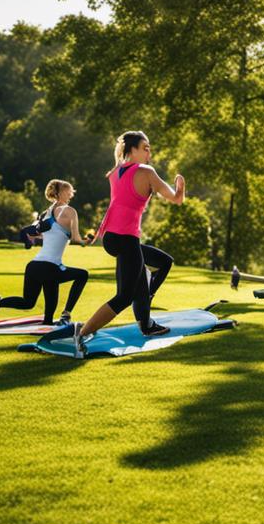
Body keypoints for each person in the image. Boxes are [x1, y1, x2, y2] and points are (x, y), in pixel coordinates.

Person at [72, 131, 185, 358]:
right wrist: (180, 184)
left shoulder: (115, 172)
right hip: (125, 238)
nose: (149, 152)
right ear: (131, 149)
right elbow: (177, 199)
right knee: (124, 296)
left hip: (112, 238)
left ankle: (147, 324)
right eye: (145, 147)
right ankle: (82, 332)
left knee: (142, 275)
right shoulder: (147, 172)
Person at [0, 179, 89, 325]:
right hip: (50, 268)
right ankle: (66, 314)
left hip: (34, 266)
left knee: (28, 303)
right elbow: (76, 238)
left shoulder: (45, 214)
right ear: (61, 193)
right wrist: (85, 241)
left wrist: (30, 241)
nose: (70, 196)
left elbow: (33, 234)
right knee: (83, 275)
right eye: (69, 192)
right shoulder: (70, 211)